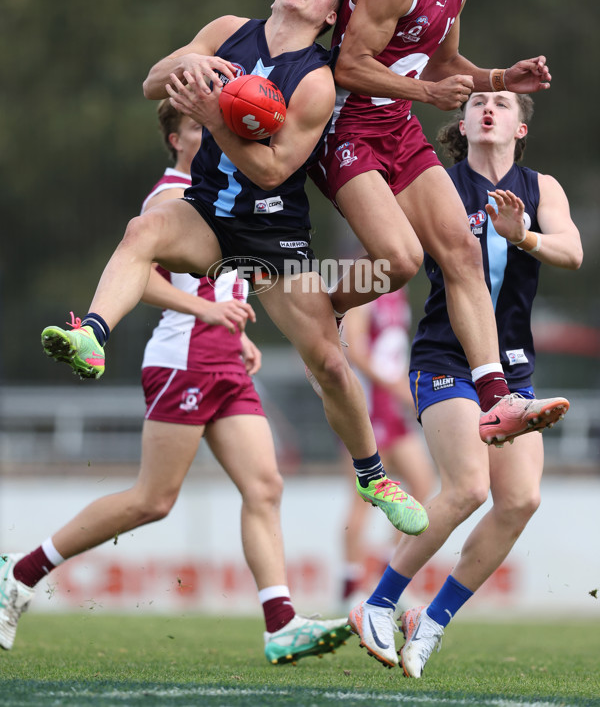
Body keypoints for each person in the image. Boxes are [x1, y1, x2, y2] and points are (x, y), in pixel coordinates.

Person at [39, 0, 429, 541]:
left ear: (329, 15)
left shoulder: (317, 79)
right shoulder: (226, 32)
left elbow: (273, 171)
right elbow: (151, 84)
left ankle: (373, 476)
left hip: (272, 236)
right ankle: (92, 335)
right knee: (139, 231)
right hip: (206, 215)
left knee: (327, 362)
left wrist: (214, 121)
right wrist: (187, 61)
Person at [2, 99, 353, 663]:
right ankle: (20, 572)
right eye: (199, 127)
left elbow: (219, 276)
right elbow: (141, 281)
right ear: (176, 140)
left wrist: (233, 330)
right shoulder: (172, 196)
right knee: (152, 500)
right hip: (183, 357)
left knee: (265, 487)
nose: (213, 133)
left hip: (225, 360)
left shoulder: (223, 194)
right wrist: (211, 316)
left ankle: (280, 623)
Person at [308, 0, 569, 447]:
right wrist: (427, 93)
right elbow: (347, 67)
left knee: (462, 251)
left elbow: (447, 63)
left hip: (396, 127)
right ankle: (321, 312)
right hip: (346, 131)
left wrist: (502, 76)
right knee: (398, 261)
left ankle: (498, 401)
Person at [347, 89, 583, 674]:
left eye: (503, 104)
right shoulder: (438, 184)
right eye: (478, 100)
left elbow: (573, 252)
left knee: (521, 499)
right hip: (445, 359)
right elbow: (386, 251)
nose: (488, 109)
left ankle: (431, 621)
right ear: (463, 121)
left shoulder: (540, 187)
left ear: (519, 129)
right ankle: (376, 604)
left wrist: (521, 234)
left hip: (515, 370)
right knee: (467, 488)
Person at [339, 288, 436, 607]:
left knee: (423, 485)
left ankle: (387, 573)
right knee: (361, 498)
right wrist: (401, 390)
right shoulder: (363, 290)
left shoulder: (402, 295)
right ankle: (351, 586)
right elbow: (357, 352)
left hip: (394, 413)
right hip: (368, 410)